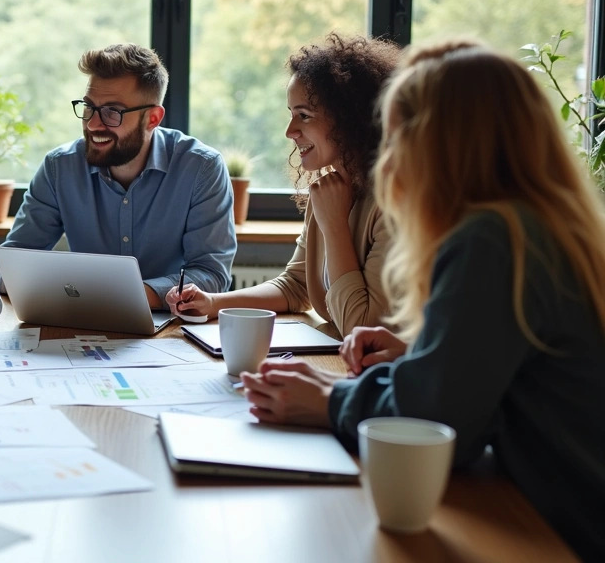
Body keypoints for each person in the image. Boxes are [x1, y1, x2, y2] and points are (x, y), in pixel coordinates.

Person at [239, 40, 605, 558]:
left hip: (564, 529)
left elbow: (437, 423)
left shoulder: (492, 241)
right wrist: (421, 358)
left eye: (398, 134)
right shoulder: (549, 227)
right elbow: (508, 382)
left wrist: (329, 399)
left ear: (441, 141)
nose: (388, 157)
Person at [166, 34, 400, 338]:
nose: (290, 131)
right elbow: (295, 286)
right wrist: (213, 302)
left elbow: (363, 328)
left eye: (304, 115)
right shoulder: (331, 189)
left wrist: (334, 225)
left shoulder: (394, 203)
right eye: (291, 115)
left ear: (349, 118)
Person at [1, 43, 235, 308]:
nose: (92, 124)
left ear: (153, 119)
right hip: (82, 324)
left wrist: (118, 297)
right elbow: (11, 268)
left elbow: (211, 275)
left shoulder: (201, 168)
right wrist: (92, 296)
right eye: (88, 107)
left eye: (112, 111)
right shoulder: (59, 168)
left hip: (171, 327)